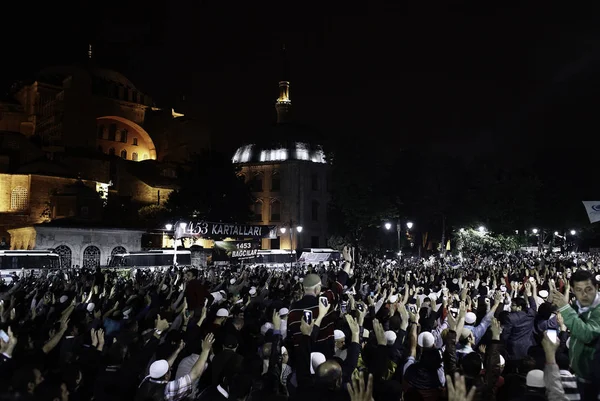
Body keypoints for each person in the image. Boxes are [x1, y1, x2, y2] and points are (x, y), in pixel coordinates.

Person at [552, 269, 600, 401]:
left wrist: (565, 307)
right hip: (581, 375)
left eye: (588, 289)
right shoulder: (579, 305)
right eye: (579, 290)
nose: (584, 294)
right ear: (572, 289)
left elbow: (587, 334)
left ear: (596, 287)